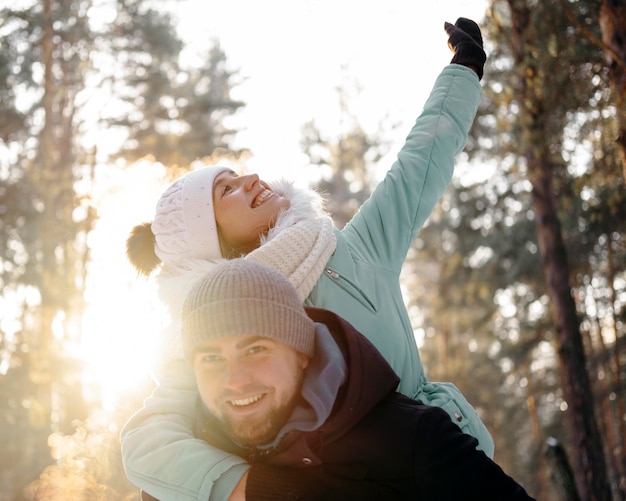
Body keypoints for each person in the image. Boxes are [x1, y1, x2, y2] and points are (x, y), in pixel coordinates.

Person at [121, 17, 493, 501]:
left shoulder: (348, 250)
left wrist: (461, 75)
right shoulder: (207, 331)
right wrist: (256, 490)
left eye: (238, 174)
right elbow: (147, 445)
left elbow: (417, 166)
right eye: (225, 191)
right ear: (207, 241)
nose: (251, 179)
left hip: (443, 469)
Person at [177, 259, 535, 501]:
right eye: (211, 358)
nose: (235, 380)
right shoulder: (191, 460)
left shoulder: (414, 437)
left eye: (255, 349)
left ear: (302, 352)